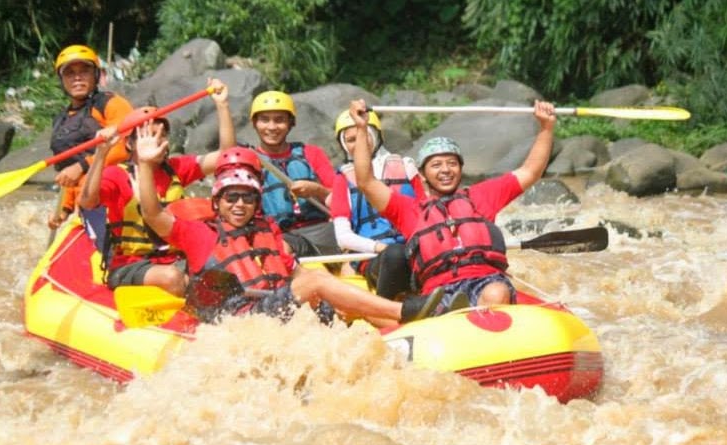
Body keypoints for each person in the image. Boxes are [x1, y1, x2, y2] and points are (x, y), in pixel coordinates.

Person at [135, 145, 443, 326]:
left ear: (256, 201)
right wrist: (147, 164)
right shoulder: (198, 234)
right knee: (318, 282)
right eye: (231, 198)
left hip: (279, 312)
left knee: (330, 295)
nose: (239, 204)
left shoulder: (268, 231)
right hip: (242, 320)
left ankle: (412, 325)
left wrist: (329, 296)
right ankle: (405, 311)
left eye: (247, 197)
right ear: (217, 202)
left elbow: (295, 272)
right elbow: (152, 213)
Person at [348, 98, 558, 309]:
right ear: (422, 175)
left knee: (497, 292)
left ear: (460, 169)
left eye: (452, 163)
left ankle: (480, 313)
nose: (446, 170)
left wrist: (546, 128)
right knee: (440, 302)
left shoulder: (481, 196)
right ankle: (448, 311)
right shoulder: (409, 210)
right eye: (436, 165)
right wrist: (361, 128)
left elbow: (531, 171)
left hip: (485, 281)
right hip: (437, 290)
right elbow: (366, 181)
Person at [78, 79, 234, 297]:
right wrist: (101, 154)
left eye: (162, 135)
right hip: (130, 264)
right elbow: (87, 202)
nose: (158, 142)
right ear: (130, 144)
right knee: (171, 277)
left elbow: (227, 157)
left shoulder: (177, 168)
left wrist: (223, 105)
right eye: (149, 135)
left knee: (228, 268)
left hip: (177, 259)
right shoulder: (117, 174)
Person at [330, 108, 426, 300]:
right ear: (343, 144)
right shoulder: (343, 178)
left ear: (376, 136)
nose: (359, 144)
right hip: (372, 255)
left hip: (412, 248)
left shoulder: (405, 166)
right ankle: (390, 308)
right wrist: (380, 248)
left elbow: (427, 214)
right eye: (351, 140)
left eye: (364, 136)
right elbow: (343, 237)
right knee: (396, 256)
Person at [48, 44, 134, 230]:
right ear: (61, 80)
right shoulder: (61, 120)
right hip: (81, 203)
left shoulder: (112, 104)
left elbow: (123, 148)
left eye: (84, 70)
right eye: (69, 73)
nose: (77, 77)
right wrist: (64, 209)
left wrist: (81, 166)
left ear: (96, 75)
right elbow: (67, 172)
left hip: (113, 196)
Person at [247, 91, 340, 257]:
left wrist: (318, 191)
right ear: (254, 123)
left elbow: (342, 201)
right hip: (281, 236)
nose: (272, 127)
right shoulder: (249, 160)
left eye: (279, 120)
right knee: (283, 246)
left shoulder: (312, 153)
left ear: (291, 123)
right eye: (264, 119)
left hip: (322, 229)